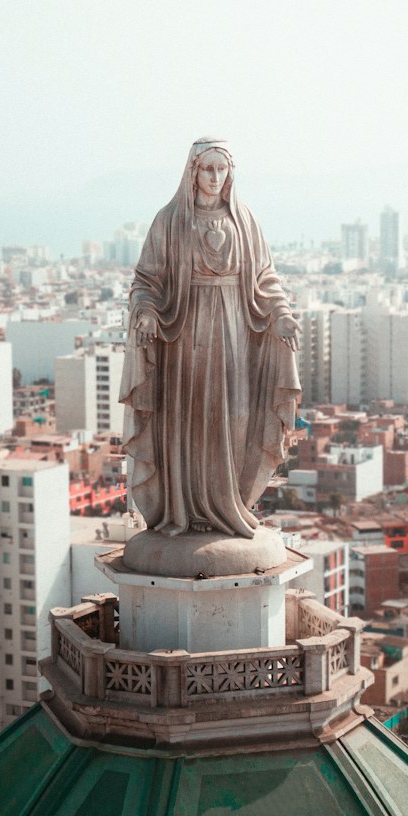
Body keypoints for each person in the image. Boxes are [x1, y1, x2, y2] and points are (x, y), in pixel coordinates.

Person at [119, 137, 301, 539]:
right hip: (185, 333)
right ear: (193, 172)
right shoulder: (169, 220)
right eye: (208, 168)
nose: (215, 177)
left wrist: (281, 314)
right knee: (189, 417)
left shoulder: (244, 220)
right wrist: (147, 311)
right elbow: (146, 279)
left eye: (222, 169)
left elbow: (265, 279)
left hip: (236, 330)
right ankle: (185, 510)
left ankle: (229, 502)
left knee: (238, 415)